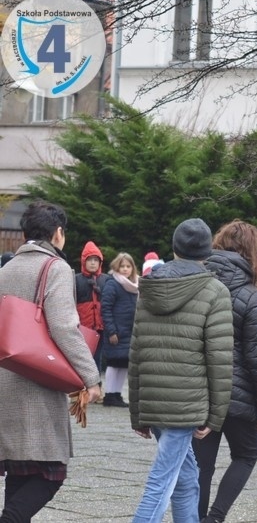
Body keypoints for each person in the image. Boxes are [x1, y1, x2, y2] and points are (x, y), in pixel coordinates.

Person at [0, 201, 102, 521]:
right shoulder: (54, 268)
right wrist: (90, 377)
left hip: (6, 379)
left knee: (20, 468)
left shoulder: (6, 268)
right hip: (37, 381)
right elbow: (64, 327)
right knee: (49, 474)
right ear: (58, 233)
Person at [129, 218, 234, 523]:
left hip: (154, 396)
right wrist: (215, 416)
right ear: (207, 251)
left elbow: (137, 351)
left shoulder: (149, 287)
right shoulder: (215, 291)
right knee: (161, 482)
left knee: (187, 477)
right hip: (186, 403)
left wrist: (138, 410)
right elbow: (219, 359)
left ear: (174, 248)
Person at [194, 220, 257, 523]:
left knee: (201, 466)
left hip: (201, 390)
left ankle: (195, 518)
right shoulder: (251, 297)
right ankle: (215, 518)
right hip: (237, 393)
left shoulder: (198, 287)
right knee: (245, 456)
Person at [100, 252, 139, 407]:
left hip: (129, 332)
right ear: (116, 267)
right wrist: (111, 331)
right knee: (113, 363)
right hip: (116, 332)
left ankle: (117, 394)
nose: (125, 269)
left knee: (123, 363)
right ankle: (109, 394)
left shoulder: (134, 285)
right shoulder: (112, 284)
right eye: (122, 266)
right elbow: (106, 309)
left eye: (128, 266)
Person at [75, 241, 110, 372]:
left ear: (100, 262)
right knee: (84, 356)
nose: (93, 263)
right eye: (90, 260)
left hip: (101, 326)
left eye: (96, 260)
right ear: (84, 261)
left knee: (98, 356)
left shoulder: (106, 280)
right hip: (83, 325)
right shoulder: (76, 280)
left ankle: (97, 383)